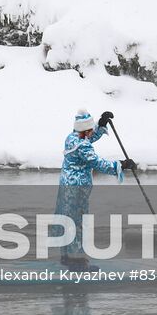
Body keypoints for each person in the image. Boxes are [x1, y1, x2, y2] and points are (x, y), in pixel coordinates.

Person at [55, 109, 135, 268]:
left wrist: (101, 124)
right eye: (90, 129)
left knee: (67, 219)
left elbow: (88, 138)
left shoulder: (72, 137)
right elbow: (97, 163)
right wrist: (121, 165)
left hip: (66, 185)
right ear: (84, 130)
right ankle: (76, 261)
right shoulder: (83, 146)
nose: (92, 133)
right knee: (76, 222)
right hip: (76, 188)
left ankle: (66, 257)